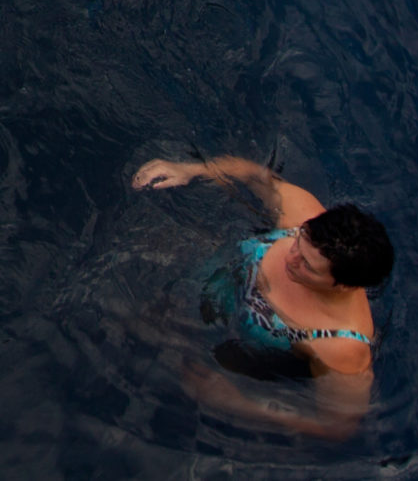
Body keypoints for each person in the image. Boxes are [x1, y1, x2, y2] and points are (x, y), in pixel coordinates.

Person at [132, 154, 391, 439]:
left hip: (222, 345)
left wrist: (238, 403)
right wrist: (189, 170)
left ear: (342, 286)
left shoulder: (340, 348)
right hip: (202, 280)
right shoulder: (303, 214)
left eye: (307, 265)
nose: (291, 258)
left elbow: (338, 428)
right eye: (297, 242)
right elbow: (252, 175)